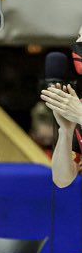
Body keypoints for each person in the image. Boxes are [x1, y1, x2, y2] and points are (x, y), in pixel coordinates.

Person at [40, 30, 82, 187]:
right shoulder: (78, 105)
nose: (77, 42)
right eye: (78, 36)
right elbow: (62, 179)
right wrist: (66, 131)